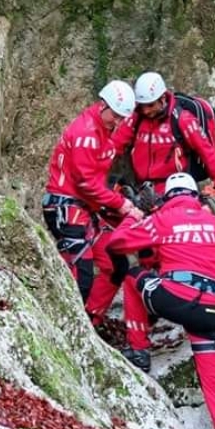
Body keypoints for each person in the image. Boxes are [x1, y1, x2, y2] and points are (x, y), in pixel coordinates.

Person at [106, 173, 215, 429]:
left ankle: (139, 350)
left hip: (174, 297)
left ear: (168, 197)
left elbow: (117, 243)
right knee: (213, 383)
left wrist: (133, 215)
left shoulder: (162, 219)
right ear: (196, 196)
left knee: (133, 277)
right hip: (208, 311)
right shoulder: (213, 222)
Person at [42, 81, 144, 326]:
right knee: (81, 273)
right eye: (115, 116)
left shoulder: (106, 130)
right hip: (66, 207)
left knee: (115, 264)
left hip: (86, 208)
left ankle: (91, 320)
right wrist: (120, 204)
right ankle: (67, 326)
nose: (117, 122)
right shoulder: (85, 134)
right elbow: (85, 182)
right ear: (102, 105)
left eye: (122, 118)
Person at [110, 71, 215, 195]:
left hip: (174, 190)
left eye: (150, 105)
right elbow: (115, 145)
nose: (145, 111)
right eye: (142, 106)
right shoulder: (136, 117)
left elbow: (207, 153)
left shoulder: (182, 119)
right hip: (141, 188)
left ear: (162, 98)